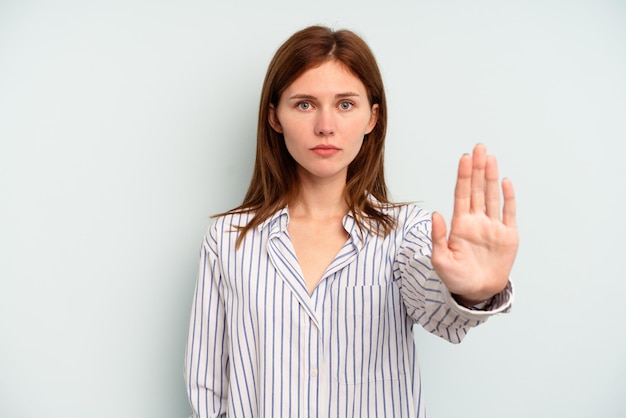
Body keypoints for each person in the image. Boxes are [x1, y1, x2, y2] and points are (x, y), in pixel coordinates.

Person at [184, 25, 518, 417]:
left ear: (371, 118)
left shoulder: (405, 233)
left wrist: (473, 294)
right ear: (274, 117)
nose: (326, 125)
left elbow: (441, 314)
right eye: (304, 104)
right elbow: (208, 387)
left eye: (345, 104)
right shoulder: (227, 240)